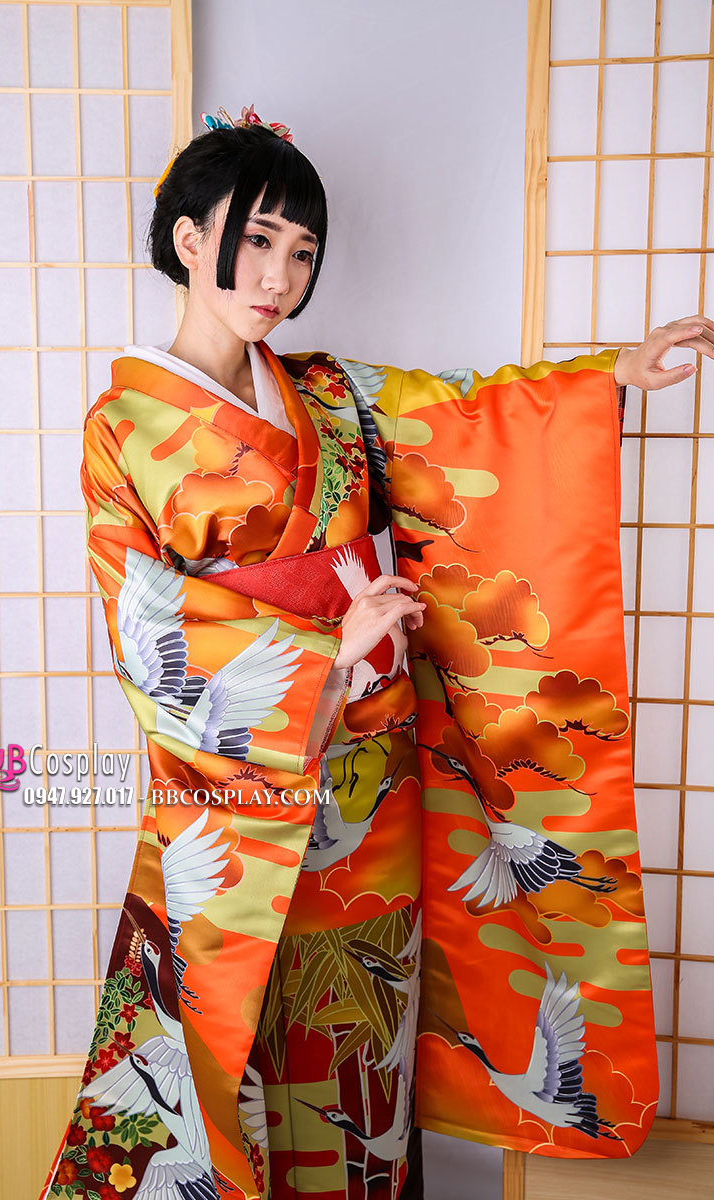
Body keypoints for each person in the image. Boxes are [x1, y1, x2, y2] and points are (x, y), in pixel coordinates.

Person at [39, 104, 711, 1200]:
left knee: (363, 1035)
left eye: (302, 251)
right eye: (256, 239)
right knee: (226, 1029)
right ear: (188, 239)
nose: (279, 276)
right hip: (239, 792)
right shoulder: (123, 424)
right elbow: (141, 619)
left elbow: (464, 415)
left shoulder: (326, 391)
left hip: (375, 778)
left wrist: (608, 379)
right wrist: (325, 649)